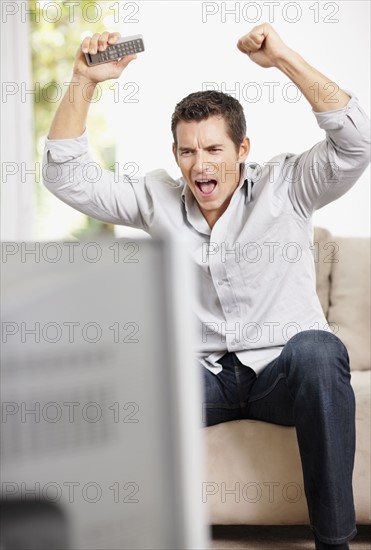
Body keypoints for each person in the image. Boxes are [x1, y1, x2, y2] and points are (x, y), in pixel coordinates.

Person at [43, 23, 370, 550]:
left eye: (214, 149)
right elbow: (66, 177)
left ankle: (333, 543)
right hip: (204, 379)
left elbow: (356, 140)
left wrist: (284, 59)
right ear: (175, 155)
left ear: (242, 148)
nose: (201, 166)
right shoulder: (157, 199)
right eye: (187, 152)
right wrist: (83, 79)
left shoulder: (287, 185)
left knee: (319, 349)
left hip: (280, 374)